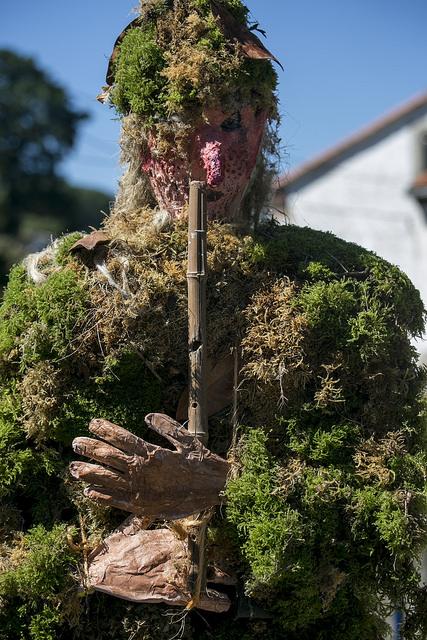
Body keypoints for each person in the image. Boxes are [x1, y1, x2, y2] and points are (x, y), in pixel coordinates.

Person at [0, 2, 426, 638]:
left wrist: (226, 493)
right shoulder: (61, 291)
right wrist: (88, 566)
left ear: (260, 126)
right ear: (141, 140)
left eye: (231, 124)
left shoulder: (342, 292)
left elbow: (396, 507)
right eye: (179, 128)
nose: (211, 164)